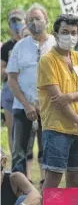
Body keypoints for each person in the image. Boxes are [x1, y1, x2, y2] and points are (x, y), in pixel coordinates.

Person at [37, 14, 78, 190]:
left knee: (75, 181)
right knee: (53, 180)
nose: (69, 36)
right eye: (64, 32)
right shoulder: (47, 60)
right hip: (57, 127)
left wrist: (70, 96)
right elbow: (58, 100)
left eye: (73, 32)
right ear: (55, 33)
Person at [6, 4, 55, 180]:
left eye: (38, 19)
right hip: (22, 108)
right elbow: (11, 79)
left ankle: (46, 187)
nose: (34, 23)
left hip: (50, 108)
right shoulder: (20, 46)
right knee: (19, 152)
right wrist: (27, 105)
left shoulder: (56, 45)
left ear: (46, 20)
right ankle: (19, 190)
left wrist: (45, 103)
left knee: (49, 151)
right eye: (30, 20)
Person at [1, 9, 26, 157]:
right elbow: (1, 71)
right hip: (10, 90)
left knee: (26, 129)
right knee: (12, 128)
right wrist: (12, 67)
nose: (16, 24)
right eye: (13, 21)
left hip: (27, 90)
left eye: (19, 21)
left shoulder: (29, 44)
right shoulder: (6, 47)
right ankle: (16, 159)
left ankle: (26, 157)